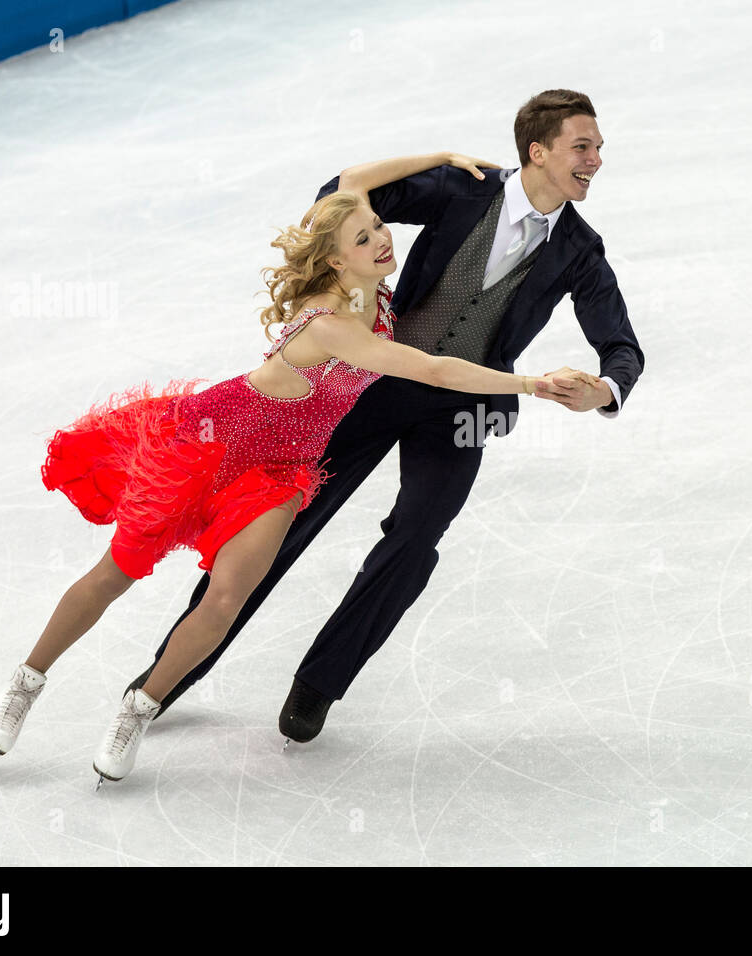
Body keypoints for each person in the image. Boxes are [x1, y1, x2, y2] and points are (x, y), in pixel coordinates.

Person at [0, 153, 569, 785]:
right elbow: (437, 370)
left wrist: (441, 156)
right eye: (364, 237)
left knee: (229, 595)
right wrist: (532, 382)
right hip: (207, 443)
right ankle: (25, 683)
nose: (382, 237)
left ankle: (138, 709)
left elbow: (354, 183)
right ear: (336, 260)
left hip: (282, 469)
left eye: (378, 227)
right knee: (115, 575)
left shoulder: (364, 280)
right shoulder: (334, 322)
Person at [129, 89, 645, 744]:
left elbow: (621, 347)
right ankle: (171, 672)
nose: (597, 159)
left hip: (465, 405)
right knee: (280, 520)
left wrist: (603, 390)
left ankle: (319, 683)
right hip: (370, 380)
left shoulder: (579, 247)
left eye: (598, 147)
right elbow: (341, 201)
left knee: (415, 538)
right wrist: (425, 163)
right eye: (583, 145)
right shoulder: (465, 189)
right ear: (538, 152)